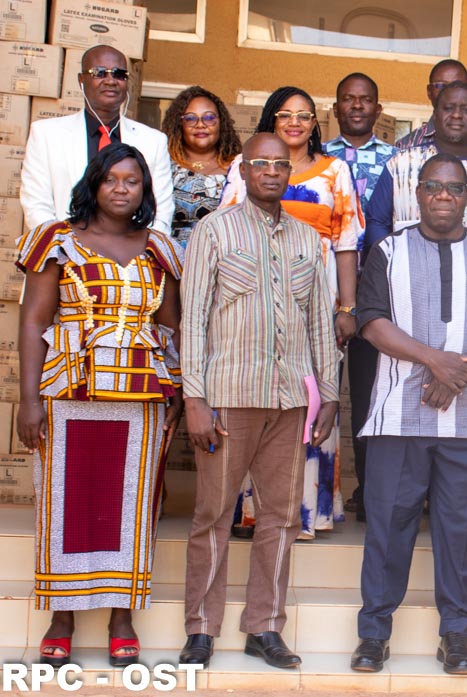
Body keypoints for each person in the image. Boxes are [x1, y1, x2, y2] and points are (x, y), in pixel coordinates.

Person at [349, 154, 467, 676]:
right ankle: (373, 635)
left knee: (461, 532)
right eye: (433, 186)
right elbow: (371, 321)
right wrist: (434, 361)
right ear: (418, 193)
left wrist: (457, 373)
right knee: (388, 528)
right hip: (398, 418)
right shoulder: (387, 251)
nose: (444, 195)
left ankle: (456, 636)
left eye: (454, 188)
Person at [16, 143, 183, 668]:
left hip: (142, 396)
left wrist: (181, 390)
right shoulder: (57, 240)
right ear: (94, 183)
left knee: (132, 504)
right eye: (111, 178)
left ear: (144, 190)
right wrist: (28, 399)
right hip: (70, 390)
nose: (121, 188)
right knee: (64, 501)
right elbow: (33, 321)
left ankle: (121, 616)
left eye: (132, 180)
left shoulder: (159, 248)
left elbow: (173, 327)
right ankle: (61, 616)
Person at [178, 133, 339, 668]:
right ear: (243, 171)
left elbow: (320, 324)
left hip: (290, 400)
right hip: (228, 397)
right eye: (260, 163)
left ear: (289, 172)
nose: (271, 171)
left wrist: (329, 394)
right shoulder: (214, 230)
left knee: (281, 517)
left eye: (280, 164)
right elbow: (192, 319)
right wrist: (195, 398)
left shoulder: (308, 239)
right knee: (213, 514)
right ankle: (201, 628)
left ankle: (264, 627)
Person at [221, 86, 361, 538]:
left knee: (313, 399)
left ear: (315, 123)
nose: (295, 123)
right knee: (255, 398)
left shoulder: (335, 171)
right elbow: (225, 233)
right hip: (253, 304)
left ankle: (305, 512)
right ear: (271, 119)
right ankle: (251, 511)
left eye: (304, 115)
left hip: (315, 304)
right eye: (285, 114)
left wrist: (346, 307)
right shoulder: (244, 167)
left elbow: (346, 244)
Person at [323, 72, 396, 524]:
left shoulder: (396, 160)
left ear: (377, 109)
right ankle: (318, 494)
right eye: (347, 99)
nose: (356, 106)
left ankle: (368, 493)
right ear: (335, 109)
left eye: (365, 99)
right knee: (318, 394)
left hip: (378, 294)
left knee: (371, 397)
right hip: (323, 292)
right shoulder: (317, 157)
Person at [21, 45, 174, 235]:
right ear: (81, 80)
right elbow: (36, 206)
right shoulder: (46, 134)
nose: (110, 81)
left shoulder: (153, 141)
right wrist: (67, 248)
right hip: (63, 248)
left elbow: (161, 213)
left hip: (132, 251)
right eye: (100, 73)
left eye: (119, 74)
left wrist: (136, 249)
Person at [364, 81, 467, 249]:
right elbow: (377, 222)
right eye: (448, 108)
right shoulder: (401, 163)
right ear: (435, 116)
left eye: (466, 110)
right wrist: (391, 258)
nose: (456, 115)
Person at [160, 85, 242, 248]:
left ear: (221, 123)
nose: (200, 125)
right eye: (190, 118)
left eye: (209, 118)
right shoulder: (163, 165)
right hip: (170, 255)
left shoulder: (238, 168)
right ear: (179, 124)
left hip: (222, 255)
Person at [395, 59, 467, 164]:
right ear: (429, 91)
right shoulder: (404, 148)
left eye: (458, 85)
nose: (450, 91)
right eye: (441, 85)